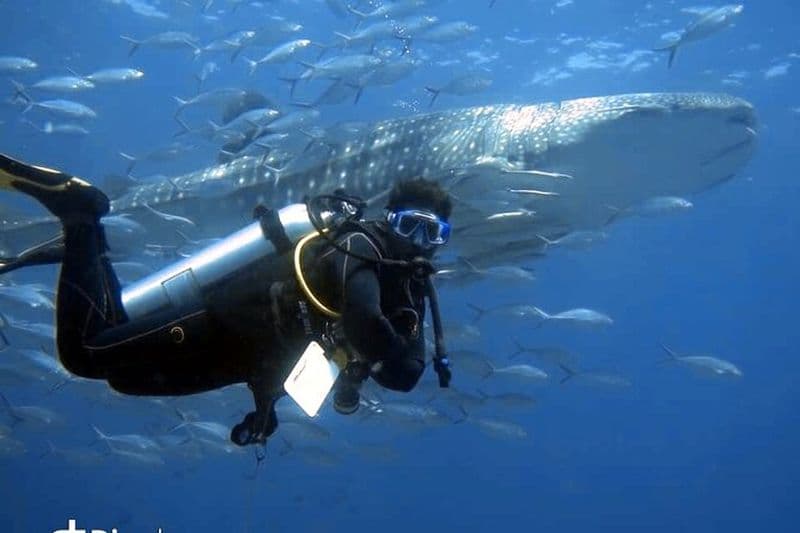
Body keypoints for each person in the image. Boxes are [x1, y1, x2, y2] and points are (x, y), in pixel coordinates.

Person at [0, 153, 453, 446]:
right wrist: (387, 354)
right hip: (220, 320)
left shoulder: (410, 294)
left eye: (433, 233)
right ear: (389, 220)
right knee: (86, 354)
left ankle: (85, 251)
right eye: (411, 224)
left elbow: (404, 375)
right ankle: (80, 215)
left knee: (123, 377)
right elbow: (363, 323)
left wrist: (265, 404)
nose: (418, 241)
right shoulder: (359, 247)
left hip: (244, 361)